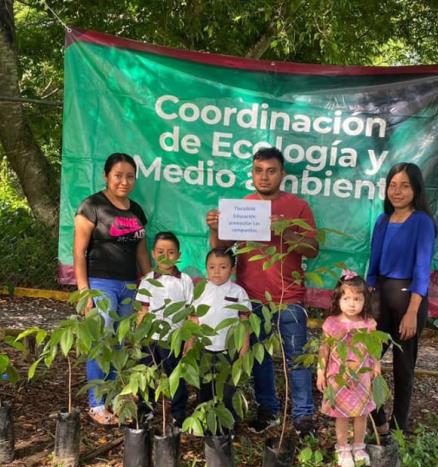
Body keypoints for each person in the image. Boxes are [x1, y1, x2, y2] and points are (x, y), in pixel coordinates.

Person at [206, 147, 319, 436]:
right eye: (258, 171)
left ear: (282, 174)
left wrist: (284, 231)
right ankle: (268, 410)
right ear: (252, 174)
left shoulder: (299, 207)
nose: (264, 176)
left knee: (297, 358)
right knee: (259, 358)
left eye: (271, 170)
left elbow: (312, 249)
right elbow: (220, 249)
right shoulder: (243, 205)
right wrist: (215, 228)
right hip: (251, 298)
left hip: (288, 299)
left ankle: (303, 417)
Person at [74, 152, 151, 426]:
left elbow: (141, 251)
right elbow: (79, 251)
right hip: (101, 283)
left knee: (123, 342)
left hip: (130, 284)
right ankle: (96, 403)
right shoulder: (92, 205)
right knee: (102, 340)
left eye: (130, 176)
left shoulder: (136, 210)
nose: (124, 181)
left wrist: (150, 284)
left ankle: (118, 399)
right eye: (118, 175)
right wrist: (85, 292)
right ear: (106, 176)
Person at [366, 162, 436, 434]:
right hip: (381, 297)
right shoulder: (383, 220)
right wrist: (369, 301)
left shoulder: (422, 222)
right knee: (366, 360)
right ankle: (379, 420)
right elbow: (373, 265)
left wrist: (412, 312)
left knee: (402, 366)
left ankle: (398, 428)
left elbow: (421, 269)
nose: (397, 191)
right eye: (393, 185)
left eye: (404, 185)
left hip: (409, 299)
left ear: (415, 189)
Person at [317, 271, 380, 467]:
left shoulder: (368, 324)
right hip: (338, 376)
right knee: (342, 414)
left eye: (357, 299)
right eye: (346, 298)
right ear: (338, 299)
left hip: (362, 376)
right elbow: (324, 349)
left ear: (364, 301)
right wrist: (320, 372)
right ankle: (343, 448)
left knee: (361, 413)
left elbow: (374, 346)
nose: (352, 303)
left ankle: (359, 447)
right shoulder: (332, 323)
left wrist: (376, 363)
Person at [184, 248, 251, 430]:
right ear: (206, 268)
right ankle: (206, 423)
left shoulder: (238, 293)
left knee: (228, 391)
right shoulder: (200, 290)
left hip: (228, 353)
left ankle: (228, 428)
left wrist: (244, 350)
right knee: (204, 389)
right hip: (204, 351)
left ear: (232, 269)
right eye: (212, 267)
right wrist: (189, 345)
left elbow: (245, 324)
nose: (216, 271)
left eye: (223, 267)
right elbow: (194, 320)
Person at [136, 231, 194, 428]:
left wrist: (190, 339)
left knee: (175, 376)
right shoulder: (148, 280)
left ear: (178, 255)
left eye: (171, 252)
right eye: (161, 251)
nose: (165, 256)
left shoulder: (185, 280)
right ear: (153, 254)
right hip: (151, 338)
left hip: (174, 339)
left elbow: (190, 313)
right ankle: (146, 410)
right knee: (148, 374)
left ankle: (178, 415)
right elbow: (143, 310)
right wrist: (139, 337)